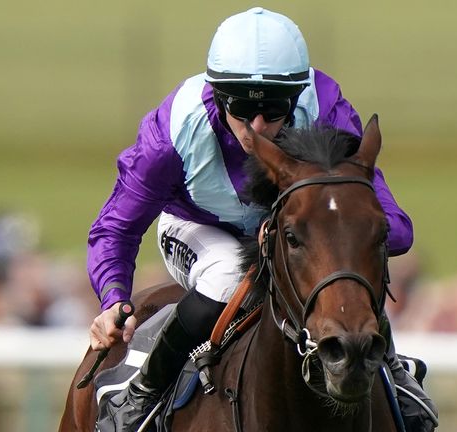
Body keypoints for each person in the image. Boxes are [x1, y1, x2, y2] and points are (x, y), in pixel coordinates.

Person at [88, 7, 414, 430]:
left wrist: (351, 234)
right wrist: (113, 297)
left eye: (274, 109)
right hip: (197, 228)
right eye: (242, 108)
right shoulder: (173, 132)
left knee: (341, 263)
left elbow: (392, 226)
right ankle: (142, 393)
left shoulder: (325, 108)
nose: (257, 126)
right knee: (227, 273)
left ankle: (394, 376)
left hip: (295, 234)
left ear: (296, 98)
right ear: (219, 96)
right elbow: (117, 226)